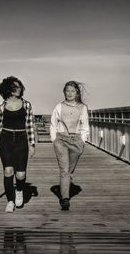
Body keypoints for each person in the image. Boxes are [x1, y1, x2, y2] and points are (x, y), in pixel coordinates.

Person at [0, 76, 36, 213]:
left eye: (20, 86)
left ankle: (19, 190)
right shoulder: (1, 106)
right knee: (8, 171)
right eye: (16, 87)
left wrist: (32, 144)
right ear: (8, 89)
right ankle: (10, 201)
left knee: (20, 174)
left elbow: (30, 125)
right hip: (6, 139)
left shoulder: (27, 105)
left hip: (21, 139)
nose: (19, 89)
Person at [50, 81, 89, 210]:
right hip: (61, 140)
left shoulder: (82, 108)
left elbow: (85, 126)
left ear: (77, 92)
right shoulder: (58, 107)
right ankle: (65, 199)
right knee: (64, 170)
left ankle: (65, 185)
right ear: (64, 92)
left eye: (73, 91)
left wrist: (83, 141)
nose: (70, 93)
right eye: (68, 91)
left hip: (77, 141)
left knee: (69, 170)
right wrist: (54, 139)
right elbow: (53, 125)